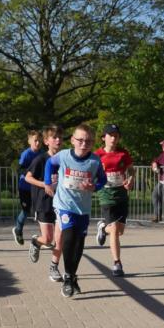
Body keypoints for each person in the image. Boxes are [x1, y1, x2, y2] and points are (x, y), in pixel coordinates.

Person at [42, 124, 106, 297]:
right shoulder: (63, 156)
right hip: (64, 206)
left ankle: (72, 275)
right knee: (68, 237)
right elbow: (49, 163)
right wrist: (48, 181)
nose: (84, 144)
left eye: (88, 141)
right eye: (80, 140)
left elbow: (102, 180)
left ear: (92, 143)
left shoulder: (94, 161)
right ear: (72, 140)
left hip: (83, 209)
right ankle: (68, 277)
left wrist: (94, 186)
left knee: (78, 244)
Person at [24, 126, 64, 282]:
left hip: (61, 203)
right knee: (47, 239)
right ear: (47, 141)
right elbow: (27, 177)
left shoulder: (65, 158)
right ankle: (36, 242)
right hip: (44, 203)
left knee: (59, 239)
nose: (58, 140)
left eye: (60, 137)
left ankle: (54, 267)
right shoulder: (40, 159)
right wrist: (44, 184)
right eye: (54, 137)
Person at [95, 124, 134, 278]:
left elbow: (131, 168)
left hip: (121, 193)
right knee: (116, 230)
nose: (113, 138)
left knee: (120, 231)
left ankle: (102, 228)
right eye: (110, 135)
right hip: (105, 194)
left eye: (116, 135)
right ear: (104, 137)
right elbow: (91, 171)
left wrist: (131, 178)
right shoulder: (97, 155)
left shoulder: (123, 153)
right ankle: (117, 263)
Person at [12, 129, 42, 246]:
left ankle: (44, 237)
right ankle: (18, 230)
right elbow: (19, 169)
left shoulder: (42, 154)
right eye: (35, 141)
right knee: (26, 211)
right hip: (24, 186)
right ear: (29, 141)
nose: (38, 143)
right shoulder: (26, 154)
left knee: (40, 210)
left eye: (39, 141)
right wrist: (31, 173)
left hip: (36, 186)